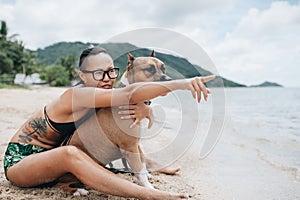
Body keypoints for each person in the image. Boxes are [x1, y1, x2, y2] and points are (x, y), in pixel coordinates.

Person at [3, 46, 215, 200]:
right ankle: (146, 193)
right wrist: (182, 84)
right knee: (70, 154)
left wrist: (145, 107)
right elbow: (129, 92)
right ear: (82, 76)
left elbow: (130, 101)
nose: (107, 78)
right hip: (22, 162)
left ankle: (148, 165)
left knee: (113, 139)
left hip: (54, 164)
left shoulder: (105, 95)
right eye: (98, 73)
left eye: (111, 71)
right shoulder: (74, 96)